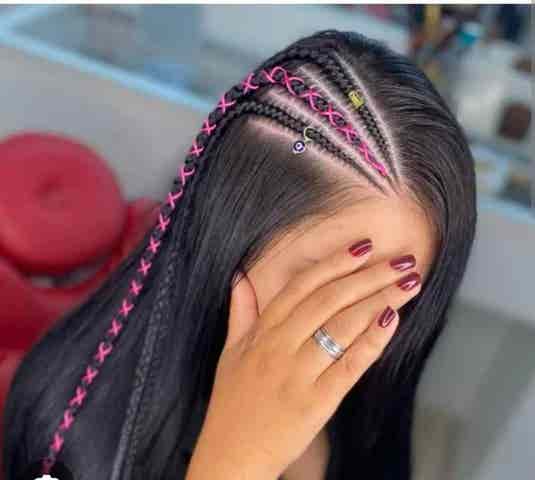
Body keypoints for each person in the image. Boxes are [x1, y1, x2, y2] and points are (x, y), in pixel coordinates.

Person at [3, 29, 477, 480]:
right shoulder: (66, 430)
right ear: (224, 235)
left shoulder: (367, 411)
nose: (354, 334)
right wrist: (235, 462)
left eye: (393, 296)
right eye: (328, 285)